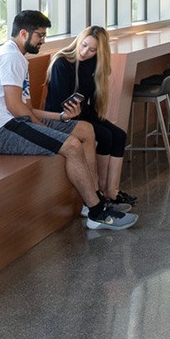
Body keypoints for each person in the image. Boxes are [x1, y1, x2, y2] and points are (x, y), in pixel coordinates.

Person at [0, 10, 134, 230]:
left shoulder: (18, 58)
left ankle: (94, 199)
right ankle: (97, 213)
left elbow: (27, 108)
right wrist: (47, 131)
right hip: (0, 131)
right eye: (40, 35)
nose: (43, 40)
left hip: (16, 121)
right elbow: (14, 106)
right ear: (23, 33)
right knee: (71, 145)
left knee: (86, 130)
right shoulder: (10, 57)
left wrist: (60, 117)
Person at [44, 24, 138, 220]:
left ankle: (111, 190)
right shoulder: (62, 63)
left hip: (82, 114)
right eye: (84, 45)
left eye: (92, 49)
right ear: (79, 40)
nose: (85, 52)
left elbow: (93, 103)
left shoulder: (93, 65)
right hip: (59, 117)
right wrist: (75, 111)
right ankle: (101, 194)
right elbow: (59, 105)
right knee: (103, 135)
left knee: (118, 135)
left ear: (99, 52)